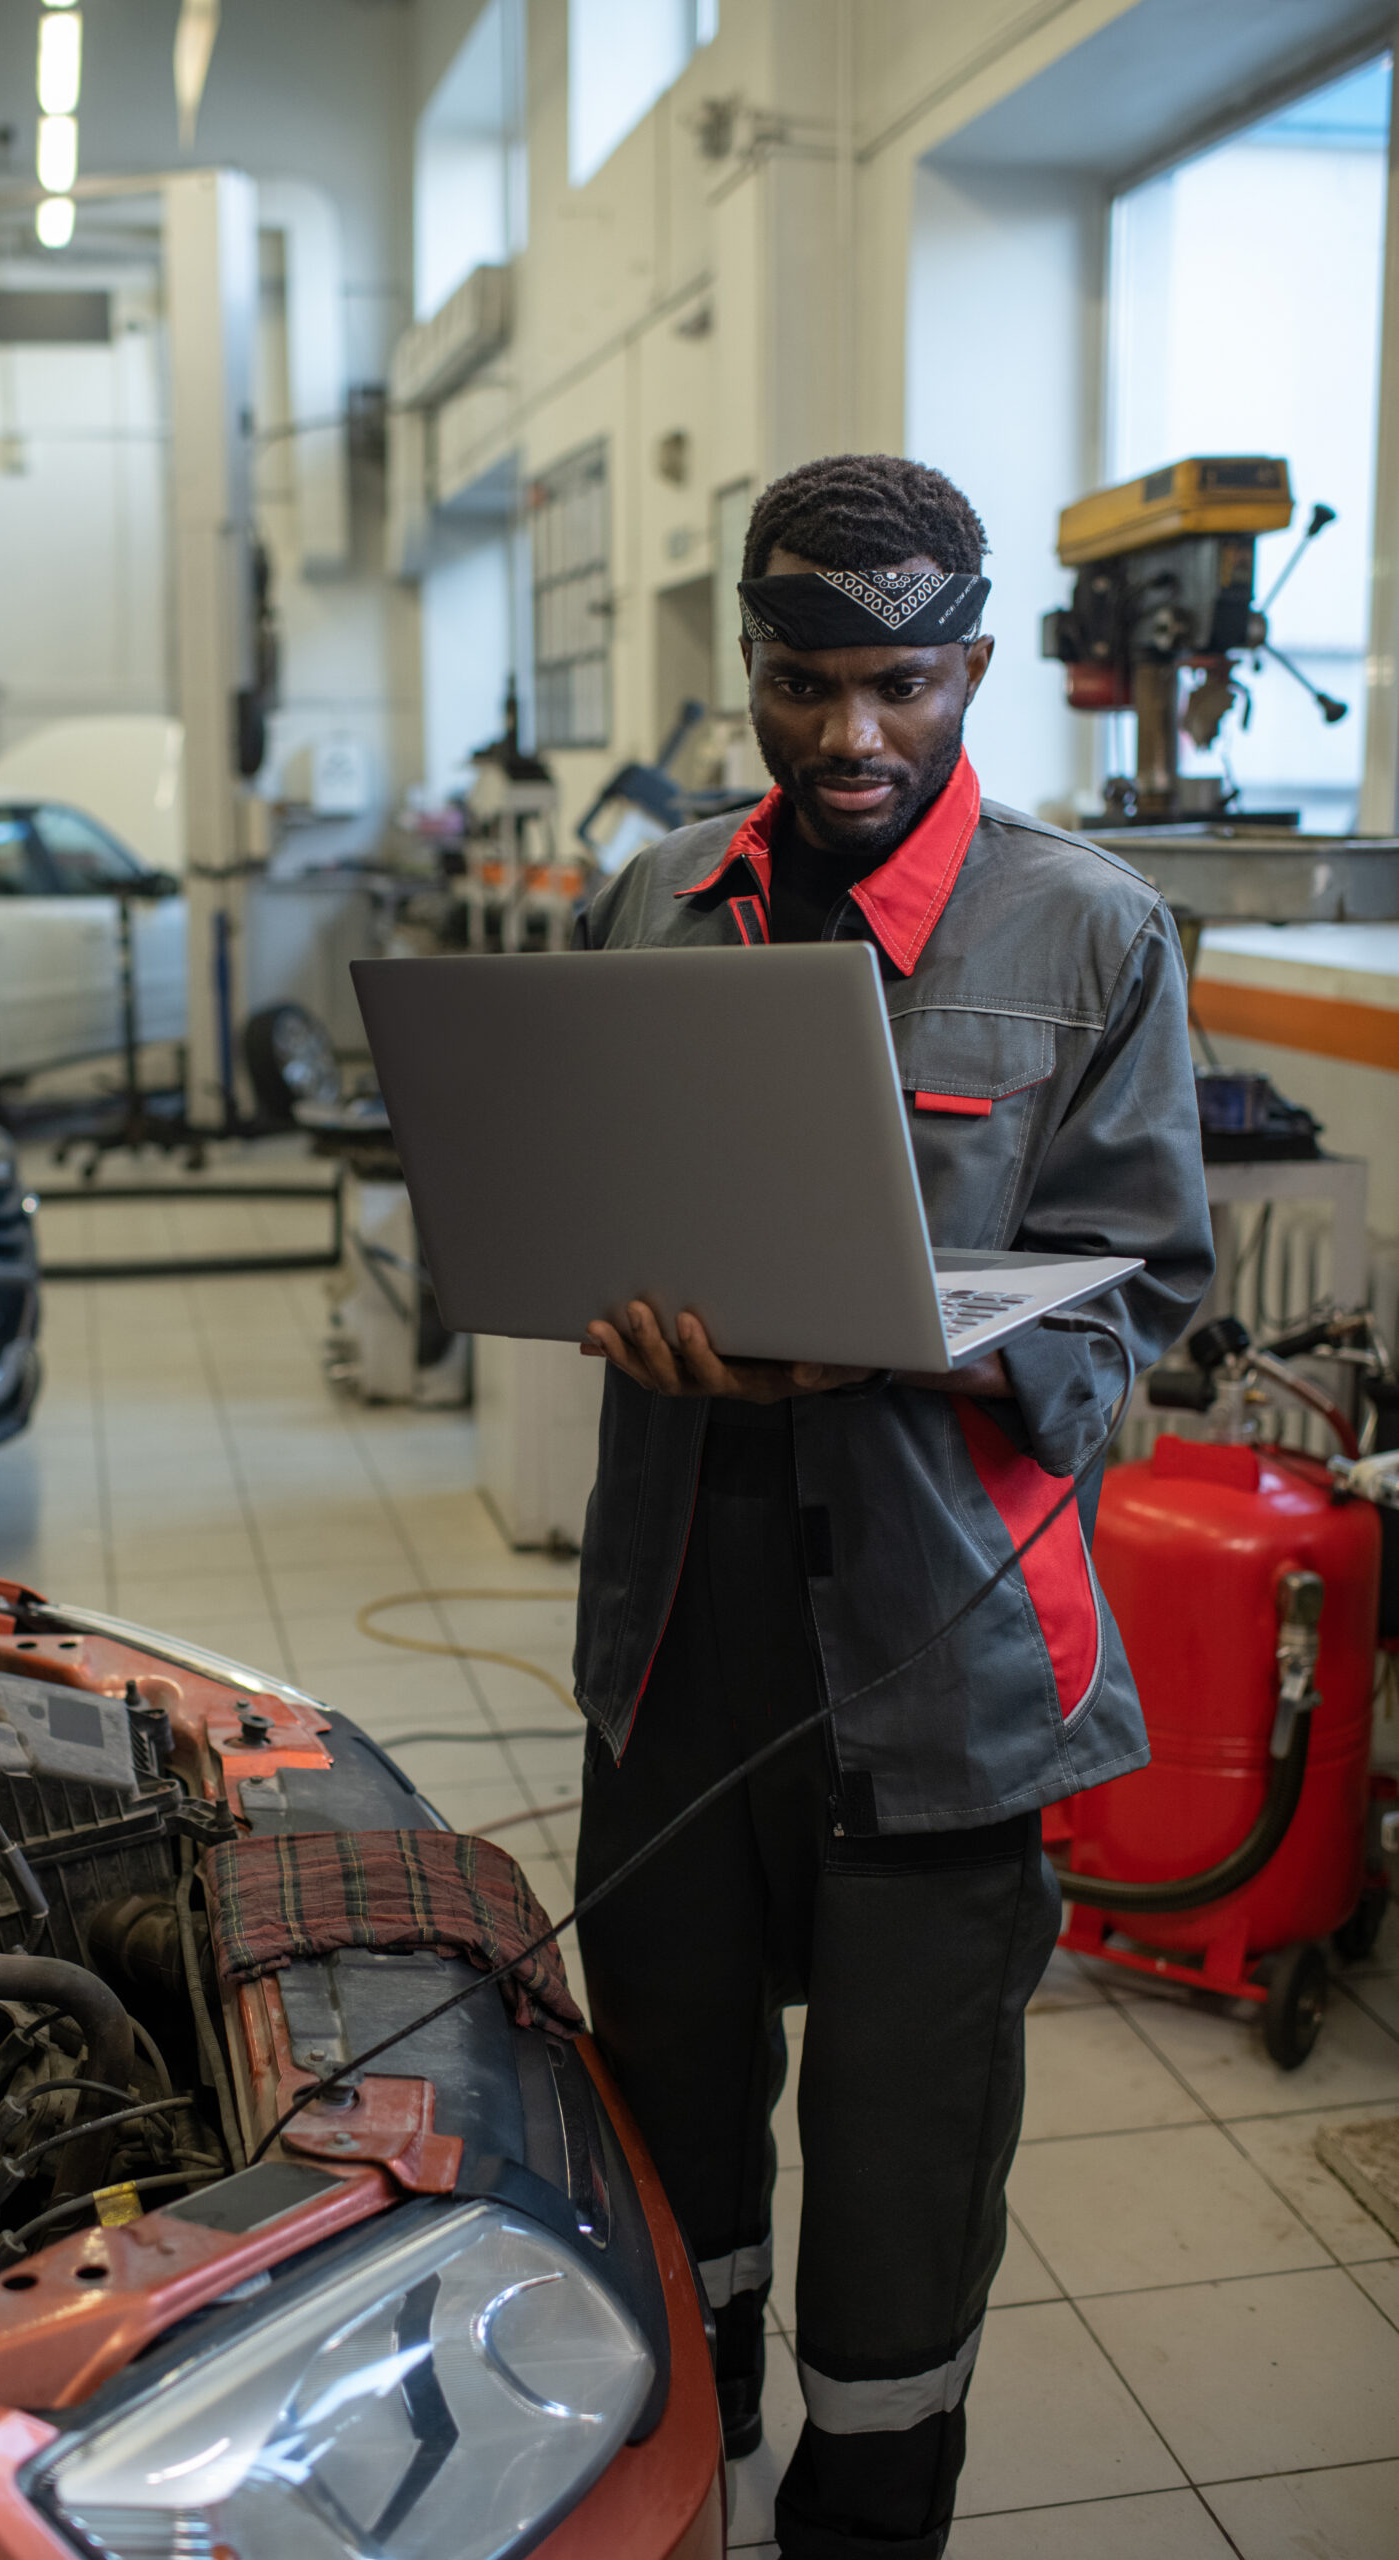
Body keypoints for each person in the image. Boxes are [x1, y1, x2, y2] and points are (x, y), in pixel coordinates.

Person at [570, 453, 1213, 2560]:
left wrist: (900, 1340)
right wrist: (604, 1292)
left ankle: (865, 2506)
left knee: (897, 2154)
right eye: (804, 683)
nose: (852, 735)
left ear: (973, 665)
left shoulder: (1084, 929)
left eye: (902, 685)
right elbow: (577, 1197)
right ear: (743, 666)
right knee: (663, 2120)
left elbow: (1138, 1307)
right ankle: (694, 2454)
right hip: (675, 1636)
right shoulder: (650, 903)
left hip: (944, 1658)